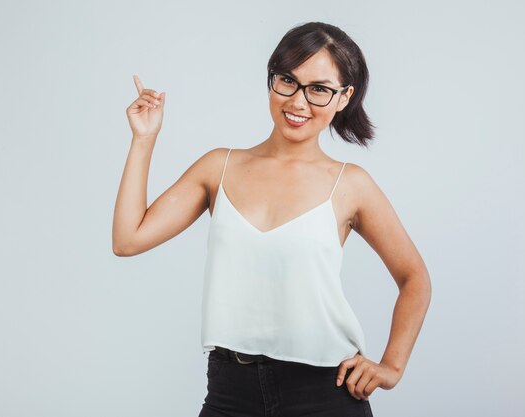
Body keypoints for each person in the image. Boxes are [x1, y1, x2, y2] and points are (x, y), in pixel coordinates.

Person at [113, 21, 431, 417]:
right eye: (287, 81)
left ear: (344, 97)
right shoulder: (219, 167)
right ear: (272, 80)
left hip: (325, 395)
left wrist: (392, 365)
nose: (298, 102)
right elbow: (128, 239)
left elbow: (414, 277)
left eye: (319, 89)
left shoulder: (351, 185)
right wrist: (144, 139)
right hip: (230, 394)